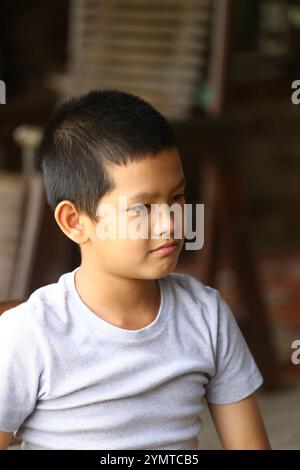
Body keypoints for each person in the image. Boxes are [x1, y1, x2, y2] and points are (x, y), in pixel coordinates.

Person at [0, 90, 271, 450]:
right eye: (142, 208)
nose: (171, 223)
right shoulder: (30, 334)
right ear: (75, 222)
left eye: (176, 198)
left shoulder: (206, 316)